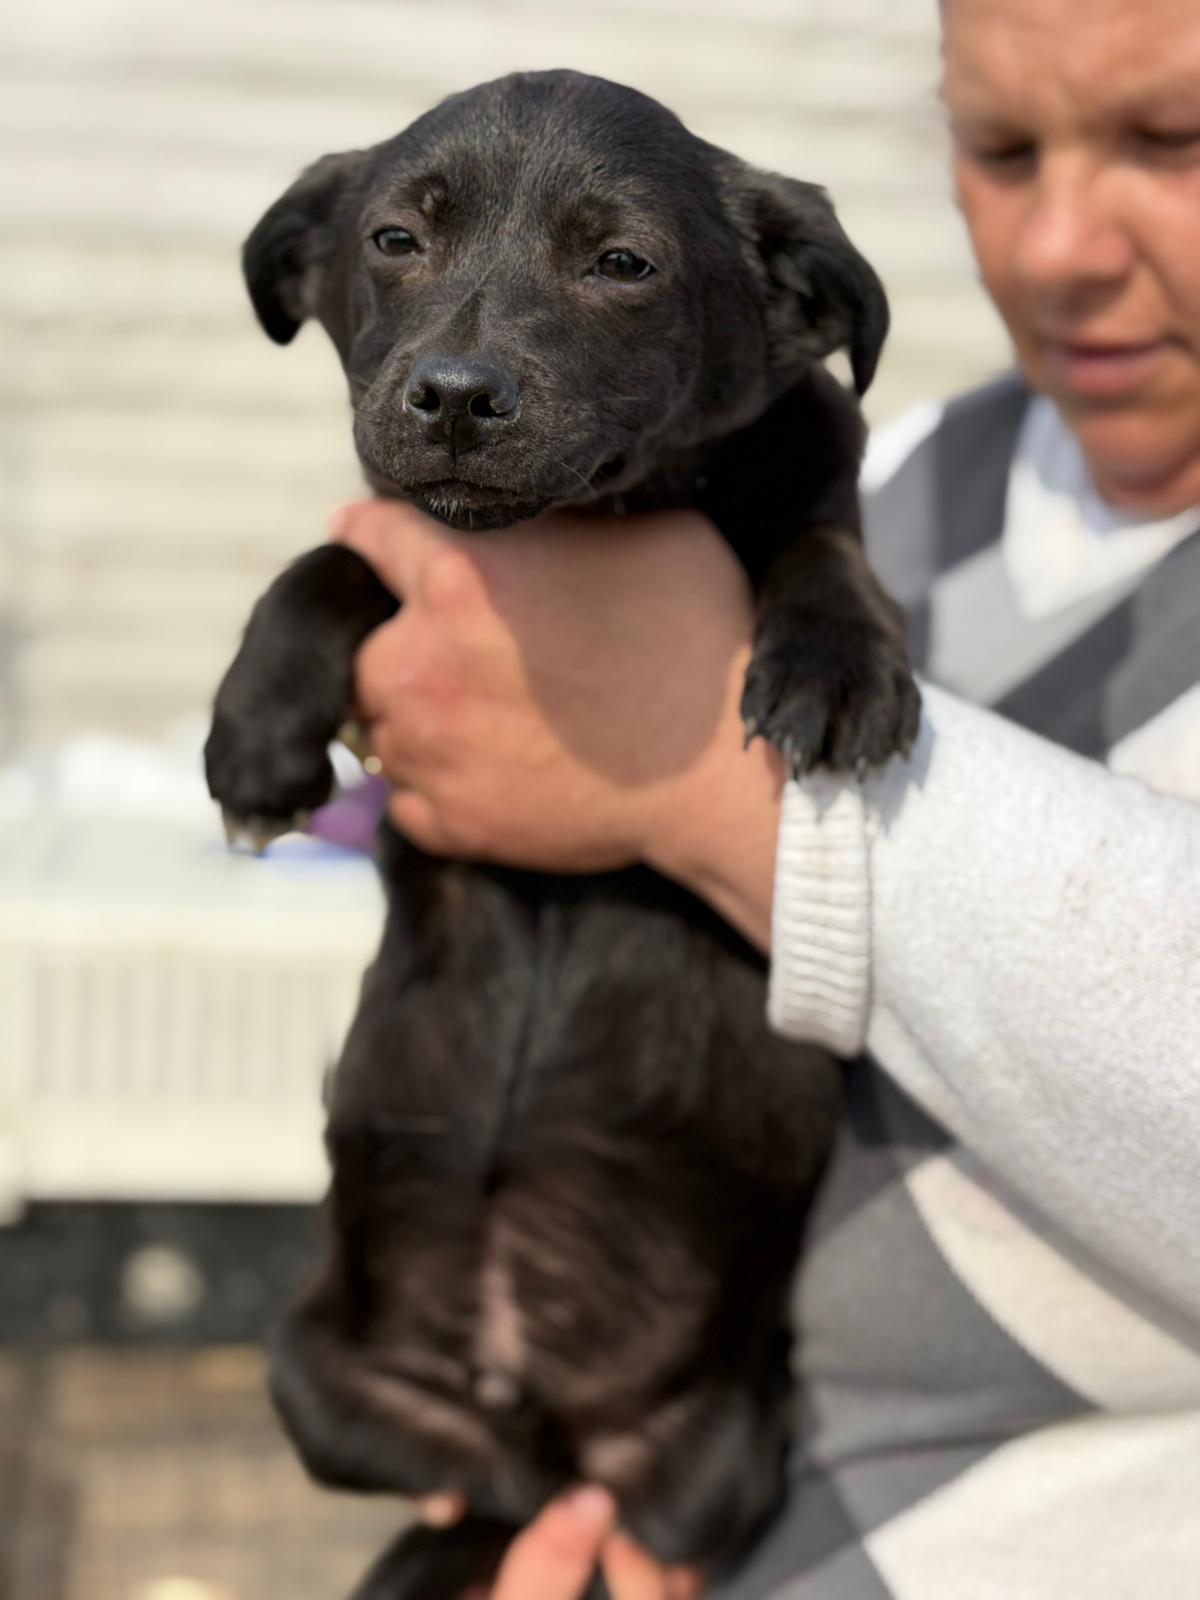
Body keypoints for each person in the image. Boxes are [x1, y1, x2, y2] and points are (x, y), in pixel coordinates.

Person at [320, 0, 1200, 1592]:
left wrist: (688, 769)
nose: (1063, 247)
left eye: (1178, 139)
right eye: (999, 148)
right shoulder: (917, 478)